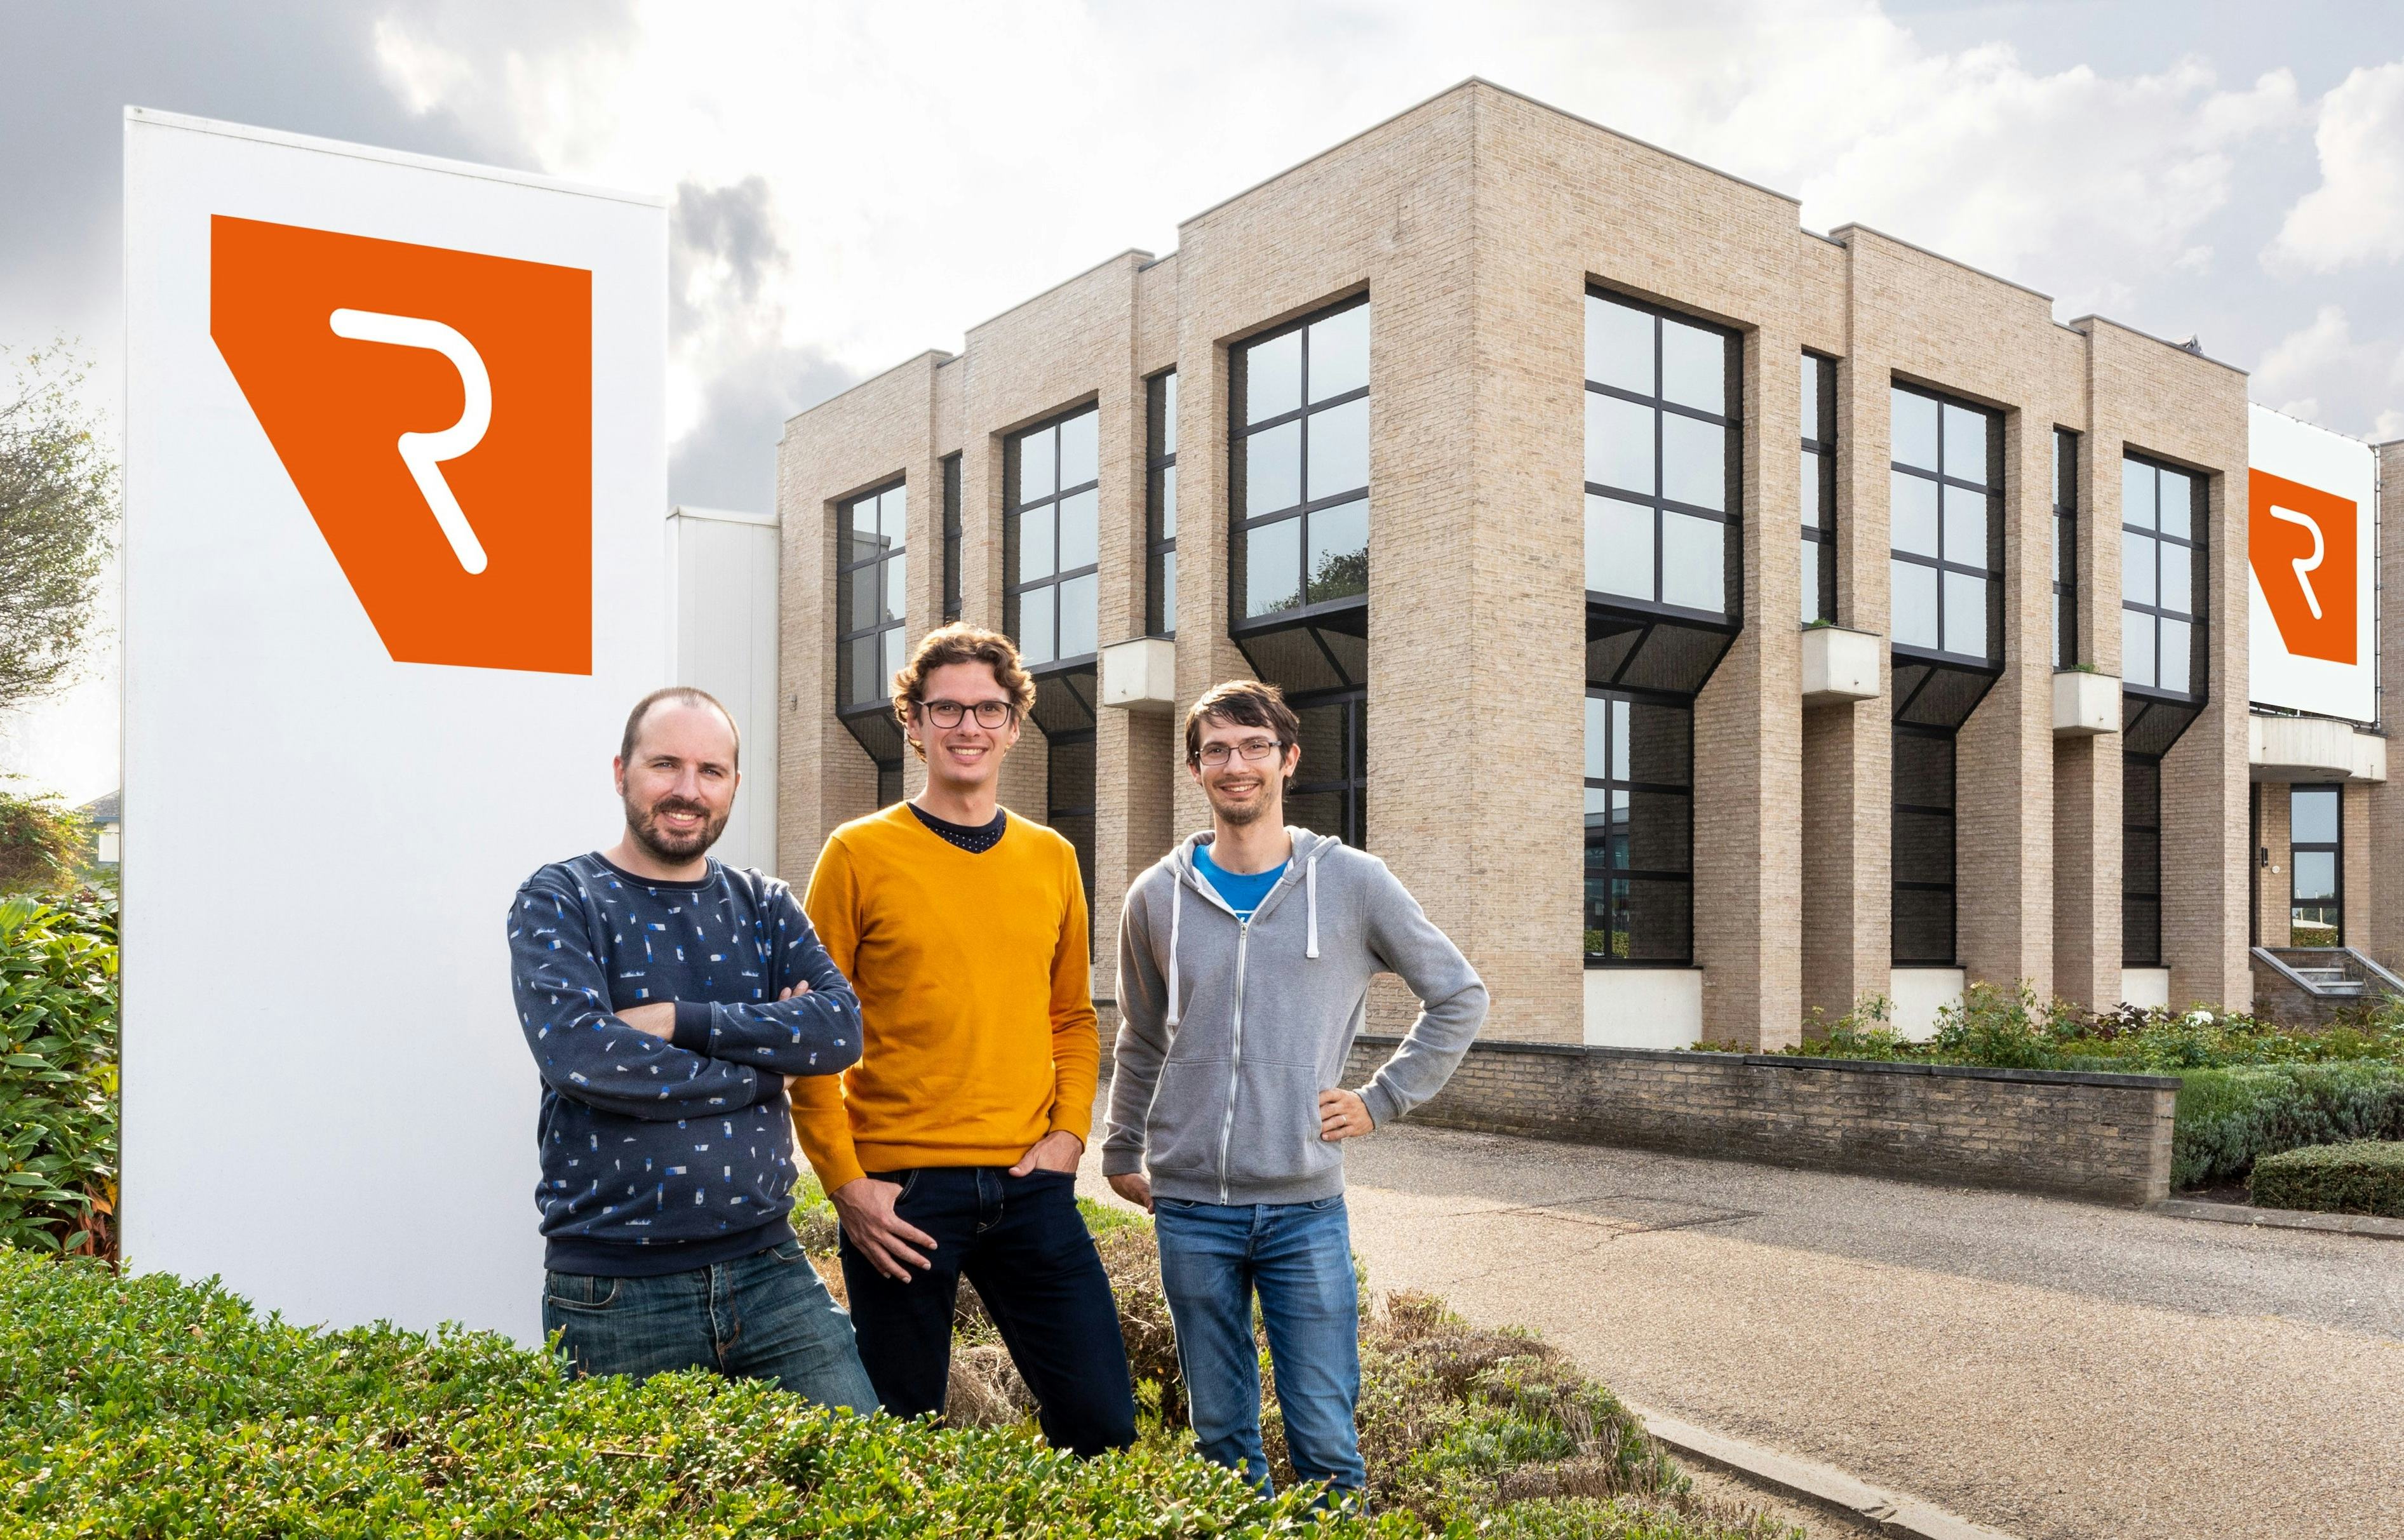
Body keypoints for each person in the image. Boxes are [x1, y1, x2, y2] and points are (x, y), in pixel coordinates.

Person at [1104, 680, 1488, 1498]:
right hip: (1189, 1207)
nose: (1235, 765)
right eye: (1216, 750)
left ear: (1287, 760)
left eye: (1252, 747)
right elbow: (1139, 1033)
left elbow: (1458, 994)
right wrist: (1119, 1142)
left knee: (1323, 1432)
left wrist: (1380, 1099)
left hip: (1303, 1208)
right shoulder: (1154, 896)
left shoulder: (1351, 882)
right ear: (1195, 768)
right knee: (1220, 1435)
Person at [792, 623, 1136, 1456]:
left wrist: (1068, 1136)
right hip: (901, 1196)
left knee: (1101, 1423)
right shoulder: (856, 853)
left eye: (988, 708)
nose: (968, 726)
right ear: (911, 722)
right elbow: (807, 1030)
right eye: (945, 707)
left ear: (1015, 724)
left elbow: (1072, 1018)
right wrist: (843, 1182)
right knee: (901, 1436)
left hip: (1031, 1188)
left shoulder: (1052, 857)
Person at [507, 686, 877, 1410]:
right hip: (614, 1290)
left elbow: (837, 1030)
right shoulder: (562, 898)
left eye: (710, 771)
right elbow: (584, 1057)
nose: (687, 790)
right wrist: (767, 1058)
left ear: (734, 785)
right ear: (621, 771)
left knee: (865, 1491)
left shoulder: (764, 903)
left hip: (770, 1270)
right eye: (665, 764)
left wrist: (680, 1020)